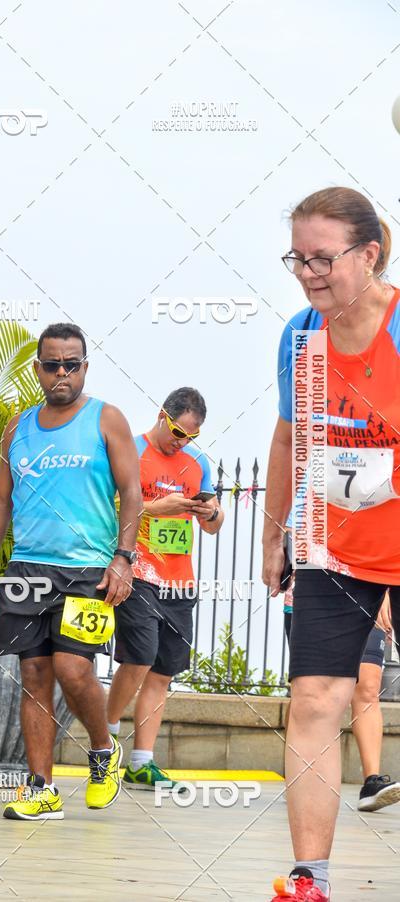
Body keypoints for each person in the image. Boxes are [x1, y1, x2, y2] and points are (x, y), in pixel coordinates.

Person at [263, 187, 400, 901]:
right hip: (331, 547)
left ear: (369, 253)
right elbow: (290, 434)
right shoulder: (299, 337)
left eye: (323, 257)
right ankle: (308, 879)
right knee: (315, 699)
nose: (309, 272)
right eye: (297, 258)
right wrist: (275, 533)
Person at [0, 322, 142, 820]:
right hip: (28, 568)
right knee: (34, 674)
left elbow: (132, 493)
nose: (62, 373)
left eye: (72, 364)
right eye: (53, 365)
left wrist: (124, 558)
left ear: (85, 367)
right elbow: (0, 498)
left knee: (73, 669)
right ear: (39, 369)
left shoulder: (105, 419)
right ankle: (40, 790)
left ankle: (102, 750)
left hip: (87, 569)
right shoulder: (18, 427)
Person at [106, 388, 223, 788]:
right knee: (138, 657)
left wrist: (212, 512)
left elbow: (212, 525)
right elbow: (109, 506)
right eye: (176, 431)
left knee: (163, 670)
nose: (180, 441)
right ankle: (102, 736)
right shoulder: (130, 451)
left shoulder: (198, 463)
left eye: (190, 436)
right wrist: (158, 507)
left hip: (179, 579)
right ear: (161, 416)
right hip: (137, 571)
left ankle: (141, 761)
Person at [283, 568, 400, 812]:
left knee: (368, 687)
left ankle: (372, 782)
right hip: (316, 589)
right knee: (310, 693)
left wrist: (382, 590)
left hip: (373, 586)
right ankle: (302, 776)